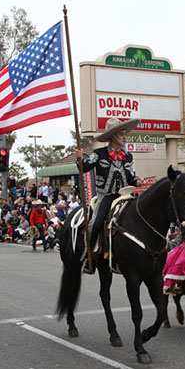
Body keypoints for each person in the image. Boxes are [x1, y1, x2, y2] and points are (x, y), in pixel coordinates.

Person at [74, 117, 142, 273]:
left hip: (126, 195)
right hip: (106, 196)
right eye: (122, 134)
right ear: (113, 136)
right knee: (96, 223)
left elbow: (132, 177)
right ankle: (89, 257)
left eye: (125, 134)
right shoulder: (99, 153)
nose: (125, 137)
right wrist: (79, 158)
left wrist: (138, 181)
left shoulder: (128, 156)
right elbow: (85, 167)